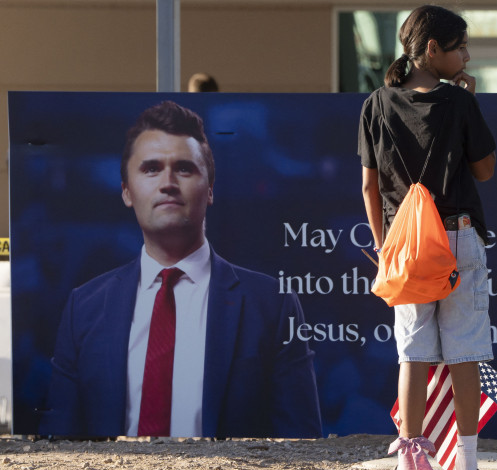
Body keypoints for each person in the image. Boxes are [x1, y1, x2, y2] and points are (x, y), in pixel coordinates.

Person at [39, 101, 322, 439]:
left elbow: (303, 450)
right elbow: (60, 445)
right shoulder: (84, 308)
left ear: (211, 189)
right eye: (151, 169)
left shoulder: (271, 306)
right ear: (127, 191)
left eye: (185, 168)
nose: (168, 182)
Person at [358, 5, 496, 470]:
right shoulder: (460, 104)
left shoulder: (376, 103)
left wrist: (381, 246)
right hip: (457, 236)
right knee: (465, 351)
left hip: (406, 245)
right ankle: (466, 467)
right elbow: (486, 171)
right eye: (460, 47)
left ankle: (411, 469)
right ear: (432, 50)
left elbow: (369, 188)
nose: (465, 55)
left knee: (412, 353)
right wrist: (471, 103)